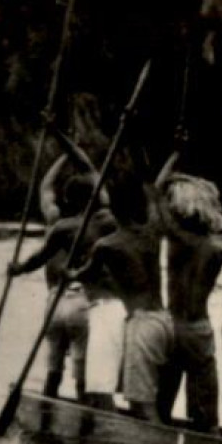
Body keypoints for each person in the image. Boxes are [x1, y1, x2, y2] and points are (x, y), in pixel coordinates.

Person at [5, 151, 114, 400]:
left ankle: (48, 411)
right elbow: (93, 173)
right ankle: (82, 416)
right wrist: (74, 149)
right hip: (82, 303)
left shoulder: (56, 223)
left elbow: (45, 186)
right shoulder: (103, 223)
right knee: (82, 372)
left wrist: (18, 269)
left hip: (54, 304)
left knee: (53, 369)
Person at [68, 167, 171, 422]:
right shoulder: (152, 233)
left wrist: (68, 274)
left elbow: (85, 274)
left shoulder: (106, 245)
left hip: (142, 324)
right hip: (165, 321)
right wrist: (174, 156)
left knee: (140, 403)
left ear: (113, 211)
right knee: (151, 399)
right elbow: (156, 192)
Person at [154, 136, 222, 429]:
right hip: (197, 327)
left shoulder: (174, 240)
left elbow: (157, 190)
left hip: (171, 326)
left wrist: (175, 156)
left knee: (163, 399)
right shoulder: (217, 250)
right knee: (205, 409)